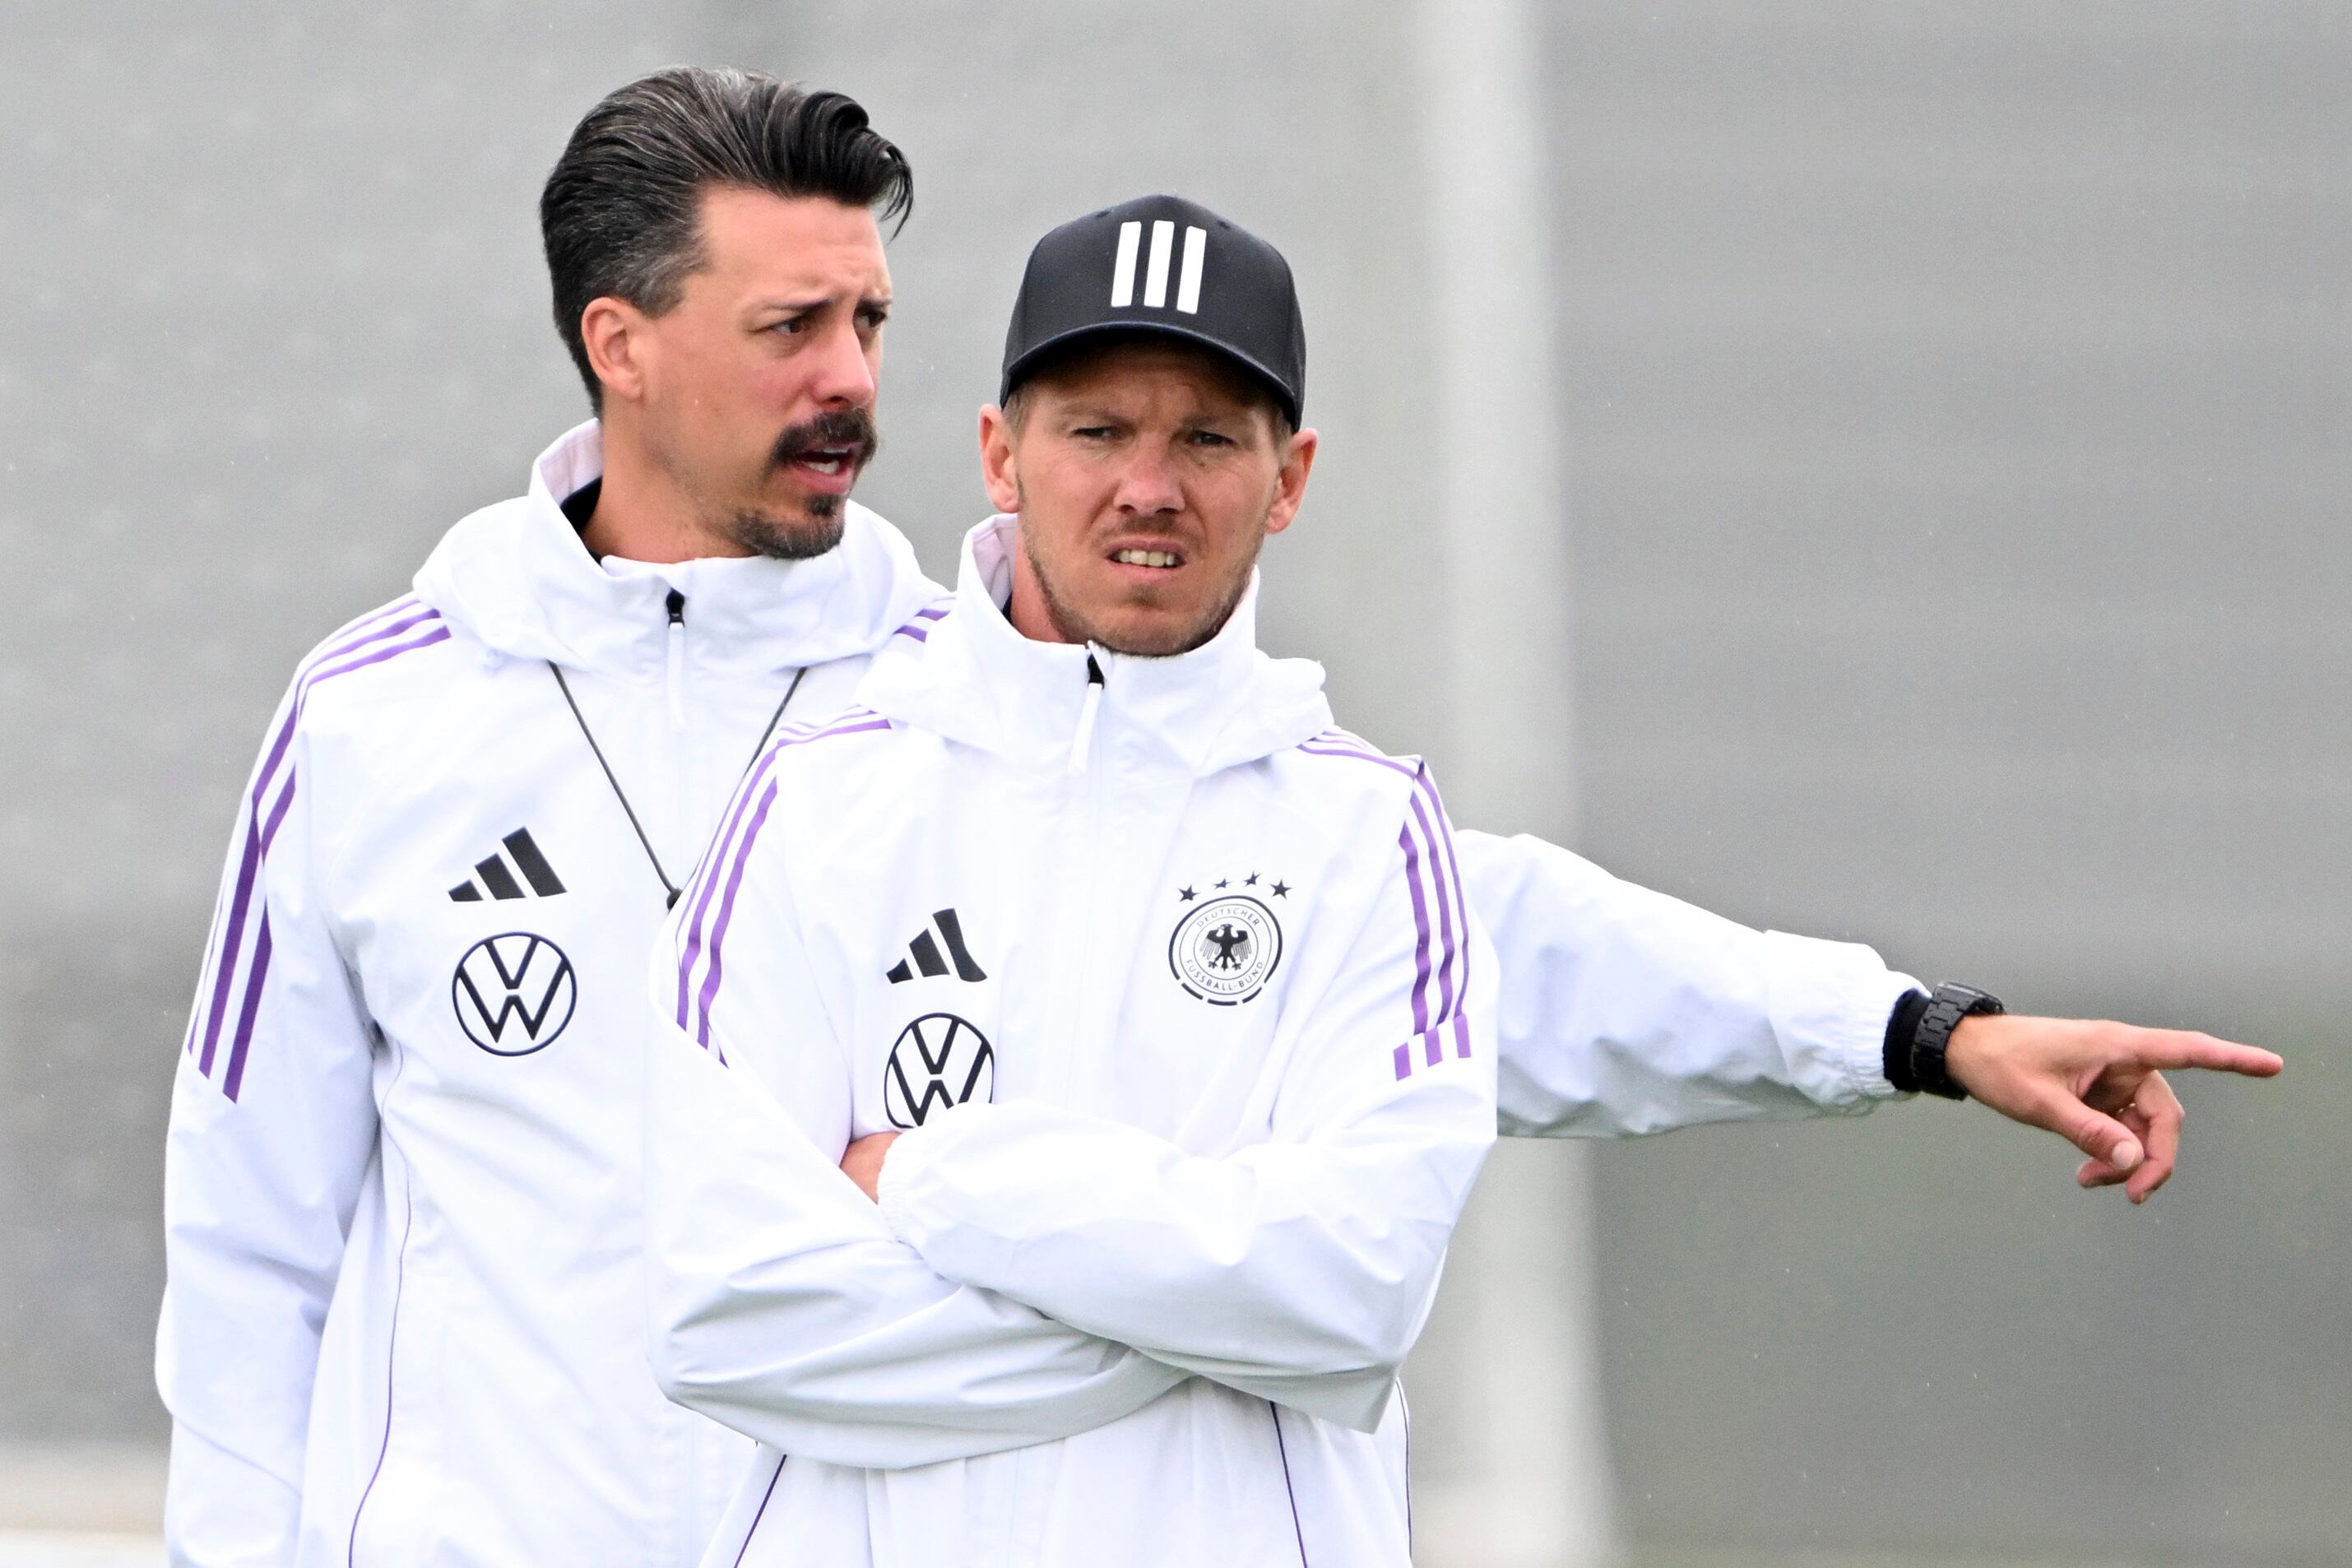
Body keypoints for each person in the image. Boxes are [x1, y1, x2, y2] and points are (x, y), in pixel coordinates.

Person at [156, 71, 2279, 1568]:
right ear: (619, 345)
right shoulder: (377, 721)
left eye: (871, 321)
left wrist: (1906, 1028)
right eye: (790, 326)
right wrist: (1190, 1332)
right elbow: (251, 1243)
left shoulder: (998, 682)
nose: (849, 379)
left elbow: (1493, 944)